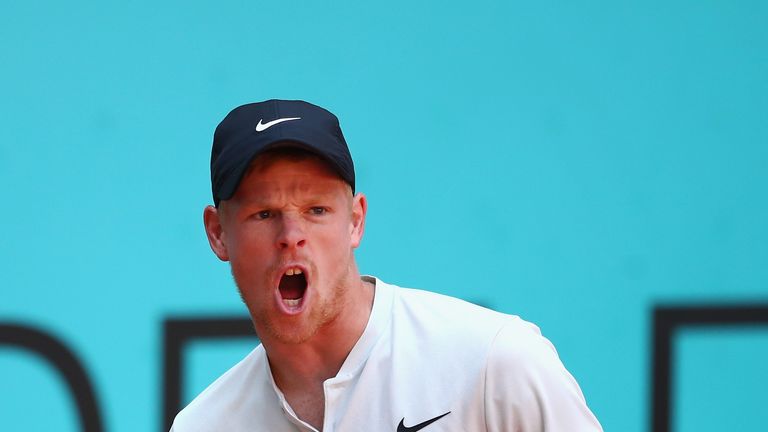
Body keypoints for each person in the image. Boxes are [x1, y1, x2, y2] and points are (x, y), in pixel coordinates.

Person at [170, 99, 603, 431]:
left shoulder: (496, 360)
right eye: (264, 213)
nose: (291, 235)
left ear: (355, 221)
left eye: (317, 210)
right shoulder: (204, 424)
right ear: (218, 233)